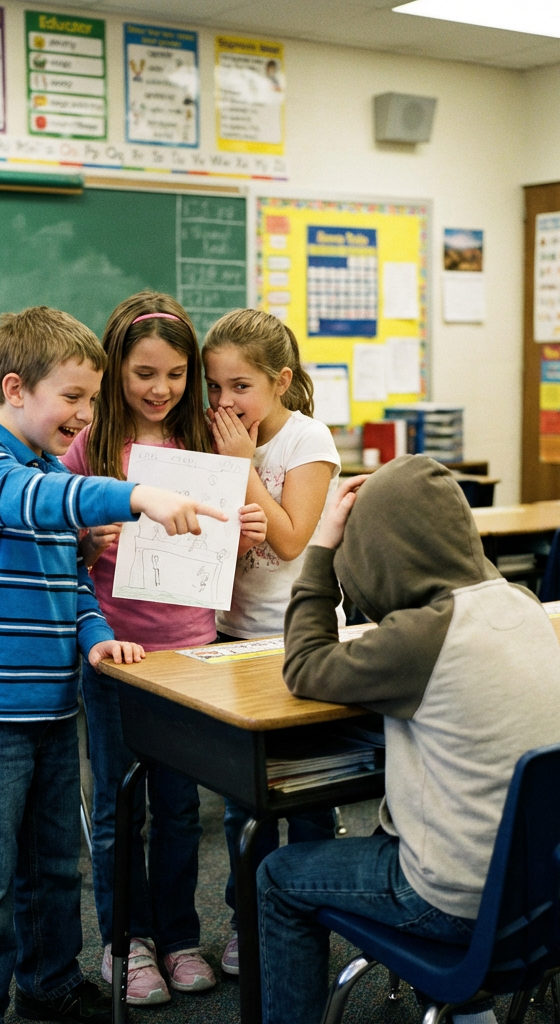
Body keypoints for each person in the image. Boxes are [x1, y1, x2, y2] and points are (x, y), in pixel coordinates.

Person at [0, 305, 228, 1024]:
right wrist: (135, 492)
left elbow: (69, 579)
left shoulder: (38, 466)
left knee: (54, 865)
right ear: (14, 389)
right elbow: (36, 500)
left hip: (51, 708)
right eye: (73, 398)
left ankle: (50, 981)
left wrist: (94, 632)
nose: (85, 414)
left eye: (92, 399)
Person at [258, 456, 560, 1024]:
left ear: (381, 553)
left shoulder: (422, 637)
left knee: (278, 877)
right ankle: (468, 1009)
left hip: (458, 902)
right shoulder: (523, 603)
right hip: (554, 881)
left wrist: (321, 553)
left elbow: (305, 664)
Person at [62, 292, 267, 1006]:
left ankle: (179, 937)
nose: (161, 388)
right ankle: (128, 944)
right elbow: (57, 544)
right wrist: (86, 539)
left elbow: (225, 557)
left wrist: (240, 538)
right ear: (116, 368)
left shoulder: (204, 446)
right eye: (145, 372)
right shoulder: (87, 448)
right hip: (119, 656)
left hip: (192, 656)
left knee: (181, 809)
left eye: (177, 374)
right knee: (121, 809)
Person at [201, 307, 343, 976]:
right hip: (233, 636)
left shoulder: (307, 441)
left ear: (280, 380)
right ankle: (248, 921)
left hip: (299, 644)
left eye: (240, 387)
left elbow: (290, 539)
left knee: (312, 798)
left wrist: (241, 465)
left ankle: (307, 924)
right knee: (242, 805)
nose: (225, 403)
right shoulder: (216, 438)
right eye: (215, 388)